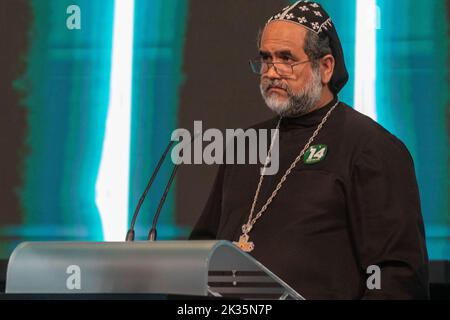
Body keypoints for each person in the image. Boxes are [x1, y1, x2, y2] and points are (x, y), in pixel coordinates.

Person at [189, 1, 429, 299]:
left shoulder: (371, 147)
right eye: (266, 59)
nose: (272, 72)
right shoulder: (245, 143)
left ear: (325, 67)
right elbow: (203, 249)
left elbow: (396, 274)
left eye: (286, 59)